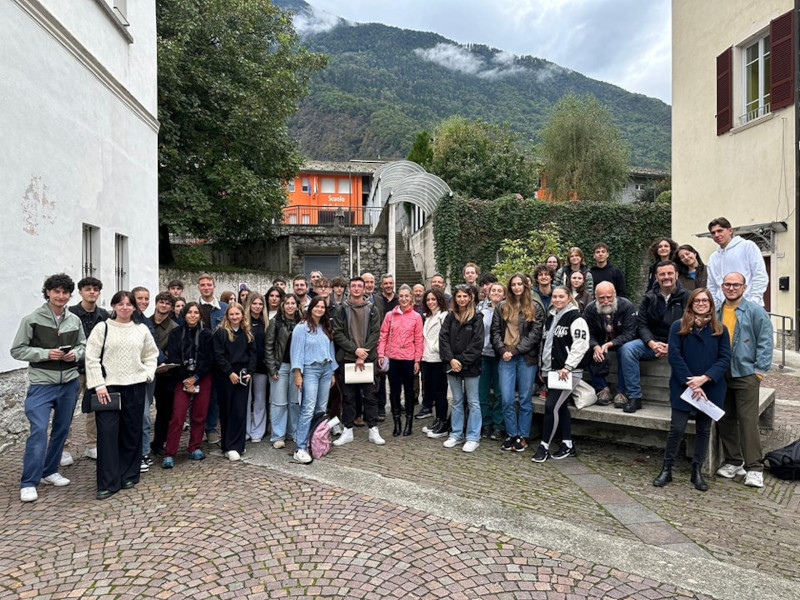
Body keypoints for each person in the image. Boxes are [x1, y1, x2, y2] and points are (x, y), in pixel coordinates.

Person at [12, 274, 86, 503]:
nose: (61, 296)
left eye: (65, 292)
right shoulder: (32, 319)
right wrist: (45, 354)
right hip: (42, 384)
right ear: (48, 292)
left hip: (69, 383)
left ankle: (50, 471)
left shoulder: (74, 320)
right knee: (38, 430)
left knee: (61, 430)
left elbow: (83, 344)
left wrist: (76, 353)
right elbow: (18, 350)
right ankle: (28, 482)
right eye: (56, 291)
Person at [653, 288, 731, 491]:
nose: (701, 303)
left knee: (703, 429)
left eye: (705, 300)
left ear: (711, 305)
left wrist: (704, 379)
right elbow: (675, 356)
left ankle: (696, 470)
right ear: (691, 304)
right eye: (697, 300)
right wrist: (691, 382)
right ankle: (667, 469)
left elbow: (724, 359)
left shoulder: (720, 329)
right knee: (676, 428)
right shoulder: (679, 326)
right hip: (683, 385)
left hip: (710, 387)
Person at [85, 291, 158, 500]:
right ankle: (108, 482)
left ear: (134, 307)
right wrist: (98, 385)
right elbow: (91, 358)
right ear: (114, 306)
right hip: (108, 389)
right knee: (107, 434)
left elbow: (151, 355)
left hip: (134, 386)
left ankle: (129, 474)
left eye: (129, 304)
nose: (125, 307)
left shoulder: (141, 329)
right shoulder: (103, 328)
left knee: (131, 432)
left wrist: (148, 373)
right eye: (120, 304)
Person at [715, 272, 774, 488]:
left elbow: (766, 341)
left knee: (748, 420)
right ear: (722, 287)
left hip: (746, 373)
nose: (731, 288)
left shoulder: (755, 311)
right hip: (722, 373)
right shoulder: (717, 311)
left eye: (736, 285)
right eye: (727, 284)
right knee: (725, 418)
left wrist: (759, 371)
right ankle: (734, 461)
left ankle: (755, 468)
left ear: (744, 287)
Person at [617, 261, 689, 413]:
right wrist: (651, 343)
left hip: (680, 345)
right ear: (656, 276)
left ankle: (689, 399)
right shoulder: (648, 298)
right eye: (662, 274)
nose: (666, 277)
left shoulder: (687, 297)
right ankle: (635, 397)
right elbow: (641, 324)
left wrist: (673, 345)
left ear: (676, 275)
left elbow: (690, 325)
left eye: (670, 273)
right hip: (652, 342)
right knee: (627, 349)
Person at [531, 287, 591, 463]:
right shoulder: (550, 318)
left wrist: (568, 366)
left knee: (551, 407)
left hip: (567, 372)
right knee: (561, 407)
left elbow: (580, 344)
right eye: (555, 296)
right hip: (551, 371)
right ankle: (567, 444)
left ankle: (544, 446)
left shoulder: (576, 317)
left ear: (568, 297)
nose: (557, 299)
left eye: (561, 296)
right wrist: (543, 368)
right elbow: (545, 345)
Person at [491, 273, 544, 453]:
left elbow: (535, 335)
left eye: (519, 284)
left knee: (524, 400)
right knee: (506, 399)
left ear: (525, 286)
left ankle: (523, 436)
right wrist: (502, 350)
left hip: (526, 358)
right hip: (505, 356)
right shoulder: (501, 307)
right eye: (513, 284)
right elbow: (495, 332)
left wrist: (515, 351)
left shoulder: (534, 307)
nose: (516, 287)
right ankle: (512, 434)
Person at [331, 277, 385, 447]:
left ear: (364, 289)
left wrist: (363, 354)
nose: (356, 288)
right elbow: (338, 333)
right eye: (353, 286)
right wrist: (355, 351)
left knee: (370, 396)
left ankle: (373, 430)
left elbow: (375, 333)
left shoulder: (372, 309)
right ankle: (348, 430)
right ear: (350, 288)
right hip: (348, 359)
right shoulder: (341, 309)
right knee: (348, 397)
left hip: (367, 360)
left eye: (359, 286)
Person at [162, 302, 214, 468]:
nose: (193, 315)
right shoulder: (176, 333)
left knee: (199, 415)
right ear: (184, 314)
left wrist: (196, 377)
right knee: (178, 416)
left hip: (202, 377)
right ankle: (170, 452)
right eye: (189, 312)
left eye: (196, 312)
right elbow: (174, 357)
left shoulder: (206, 334)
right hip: (181, 377)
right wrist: (186, 378)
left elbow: (209, 358)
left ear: (200, 315)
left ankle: (194, 447)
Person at [291, 296, 338, 464]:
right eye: (316, 306)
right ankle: (300, 447)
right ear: (310, 308)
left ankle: (315, 440)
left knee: (320, 409)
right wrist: (298, 374)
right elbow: (295, 352)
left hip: (326, 369)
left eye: (322, 307)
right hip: (310, 369)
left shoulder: (325, 327)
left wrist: (332, 372)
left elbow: (330, 350)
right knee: (308, 409)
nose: (319, 309)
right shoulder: (301, 327)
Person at [67, 276, 109, 462]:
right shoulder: (70, 313)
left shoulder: (105, 315)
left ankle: (92, 445)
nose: (92, 292)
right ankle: (64, 447)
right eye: (88, 289)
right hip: (74, 368)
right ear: (80, 292)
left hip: (96, 369)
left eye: (95, 289)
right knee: (67, 408)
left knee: (95, 408)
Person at [439, 284, 484, 452]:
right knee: (457, 400)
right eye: (459, 296)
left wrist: (461, 361)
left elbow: (477, 343)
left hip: (470, 366)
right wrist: (451, 360)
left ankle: (473, 437)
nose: (462, 299)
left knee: (473, 402)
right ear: (455, 298)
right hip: (452, 366)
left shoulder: (477, 317)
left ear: (470, 298)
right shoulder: (450, 317)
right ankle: (456, 434)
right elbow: (443, 338)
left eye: (465, 296)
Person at [212, 302, 256, 462]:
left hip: (243, 374)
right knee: (227, 411)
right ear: (227, 316)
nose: (235, 317)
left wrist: (250, 372)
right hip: (226, 376)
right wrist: (229, 372)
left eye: (237, 314)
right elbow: (218, 355)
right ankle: (228, 446)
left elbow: (253, 353)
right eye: (232, 314)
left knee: (240, 410)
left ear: (242, 315)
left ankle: (238, 443)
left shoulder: (247, 332)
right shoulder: (221, 332)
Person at [378, 284, 424, 436]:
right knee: (394, 391)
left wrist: (417, 360)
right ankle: (397, 422)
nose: (404, 299)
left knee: (409, 391)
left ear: (411, 297)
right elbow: (383, 335)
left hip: (409, 358)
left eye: (407, 296)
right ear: (399, 297)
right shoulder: (390, 315)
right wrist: (381, 354)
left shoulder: (416, 317)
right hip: (393, 358)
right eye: (401, 296)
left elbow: (418, 339)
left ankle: (408, 422)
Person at [583, 282, 637, 405]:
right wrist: (595, 345)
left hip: (621, 343)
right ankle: (602, 389)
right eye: (602, 298)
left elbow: (630, 334)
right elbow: (587, 333)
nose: (606, 301)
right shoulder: (590, 309)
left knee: (625, 351)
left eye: (609, 297)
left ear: (615, 294)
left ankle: (621, 391)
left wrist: (611, 343)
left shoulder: (627, 306)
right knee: (588, 349)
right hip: (600, 343)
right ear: (596, 296)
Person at [265, 294, 302, 449]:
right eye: (287, 303)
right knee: (279, 403)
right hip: (281, 366)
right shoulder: (275, 322)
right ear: (282, 305)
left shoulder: (303, 322)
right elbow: (268, 347)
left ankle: (292, 432)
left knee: (294, 402)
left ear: (297, 305)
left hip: (297, 367)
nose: (290, 306)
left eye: (293, 303)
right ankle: (278, 435)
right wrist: (272, 368)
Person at [706, 217, 769, 307]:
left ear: (730, 231)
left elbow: (760, 275)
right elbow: (712, 285)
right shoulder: (713, 258)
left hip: (748, 306)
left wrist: (753, 302)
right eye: (713, 233)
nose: (716, 235)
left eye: (720, 231)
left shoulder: (747, 247)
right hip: (723, 308)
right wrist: (715, 306)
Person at [131, 286, 160, 473]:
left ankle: (143, 452)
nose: (143, 301)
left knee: (145, 415)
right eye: (139, 298)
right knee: (139, 416)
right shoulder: (127, 320)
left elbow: (153, 347)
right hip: (131, 374)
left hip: (149, 373)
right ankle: (137, 453)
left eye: (146, 298)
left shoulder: (145, 322)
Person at [197, 273, 228, 444]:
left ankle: (211, 428)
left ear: (214, 287)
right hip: (201, 359)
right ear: (199, 287)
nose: (206, 287)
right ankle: (198, 429)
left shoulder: (223, 308)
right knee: (199, 396)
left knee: (215, 396)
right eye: (203, 285)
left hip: (219, 359)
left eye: (209, 284)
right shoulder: (193, 308)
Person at [149, 292, 178, 459]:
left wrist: (164, 362)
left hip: (165, 374)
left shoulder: (174, 327)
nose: (164, 305)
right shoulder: (144, 322)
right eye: (161, 302)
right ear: (156, 303)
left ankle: (158, 443)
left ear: (171, 307)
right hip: (145, 371)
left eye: (168, 303)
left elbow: (173, 350)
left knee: (164, 411)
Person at [418, 289, 450, 437]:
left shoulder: (444, 316)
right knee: (432, 391)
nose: (430, 302)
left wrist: (434, 348)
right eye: (428, 300)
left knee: (440, 392)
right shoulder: (429, 316)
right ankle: (437, 420)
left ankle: (442, 423)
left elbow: (444, 337)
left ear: (439, 300)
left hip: (438, 359)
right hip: (428, 359)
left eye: (433, 299)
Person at [478, 282, 505, 440]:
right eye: (493, 290)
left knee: (500, 393)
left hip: (500, 356)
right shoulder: (482, 310)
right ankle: (486, 424)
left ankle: (498, 425)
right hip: (483, 355)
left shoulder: (506, 310)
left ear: (504, 294)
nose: (495, 292)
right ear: (488, 293)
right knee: (483, 392)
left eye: (499, 291)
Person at [245, 292, 269, 444]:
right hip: (246, 367)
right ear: (249, 304)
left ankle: (258, 430)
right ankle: (245, 430)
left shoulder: (266, 323)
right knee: (246, 400)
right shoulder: (243, 321)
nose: (257, 307)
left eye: (260, 304)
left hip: (262, 366)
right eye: (254, 303)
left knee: (260, 399)